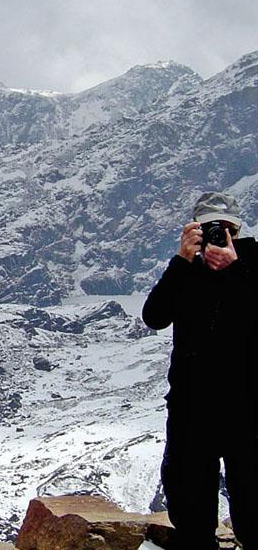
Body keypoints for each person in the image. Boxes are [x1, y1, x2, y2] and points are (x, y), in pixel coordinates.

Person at [143, 191, 258, 549]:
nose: (216, 235)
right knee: (191, 510)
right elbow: (154, 316)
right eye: (208, 228)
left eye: (223, 228)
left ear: (236, 231)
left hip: (248, 407)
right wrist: (180, 259)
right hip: (192, 408)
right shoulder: (185, 271)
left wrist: (236, 270)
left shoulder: (253, 264)